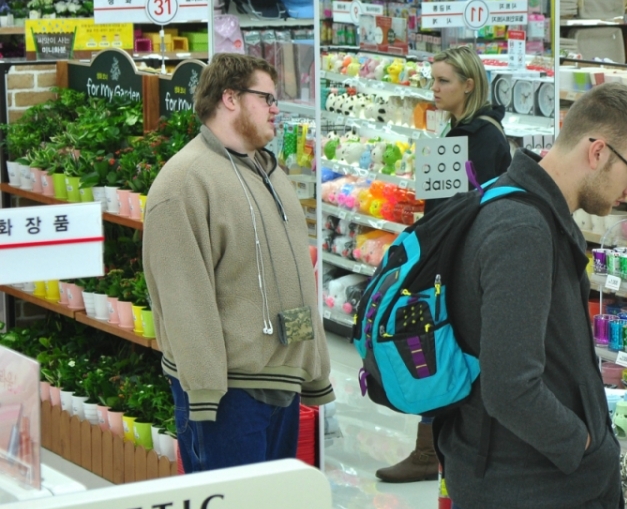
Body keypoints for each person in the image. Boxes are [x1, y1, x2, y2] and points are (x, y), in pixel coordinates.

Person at [441, 83, 627, 509]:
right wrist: (582, 444)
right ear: (597, 151)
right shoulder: (523, 228)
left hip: (510, 481)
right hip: (526, 499)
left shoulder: (523, 206)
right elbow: (511, 387)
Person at [143, 53, 334, 472]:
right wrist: (205, 392)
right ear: (230, 98)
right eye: (266, 98)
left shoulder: (269, 171)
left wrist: (314, 369)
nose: (275, 109)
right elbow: (183, 297)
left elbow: (296, 278)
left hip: (281, 384)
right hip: (227, 397)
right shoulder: (184, 182)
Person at [376, 45, 513, 484]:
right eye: (432, 80)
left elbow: (460, 210)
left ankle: (433, 450)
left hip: (458, 261)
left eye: (443, 81)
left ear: (469, 85)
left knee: (439, 344)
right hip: (451, 257)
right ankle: (435, 448)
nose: (433, 89)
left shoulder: (477, 138)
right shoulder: (464, 131)